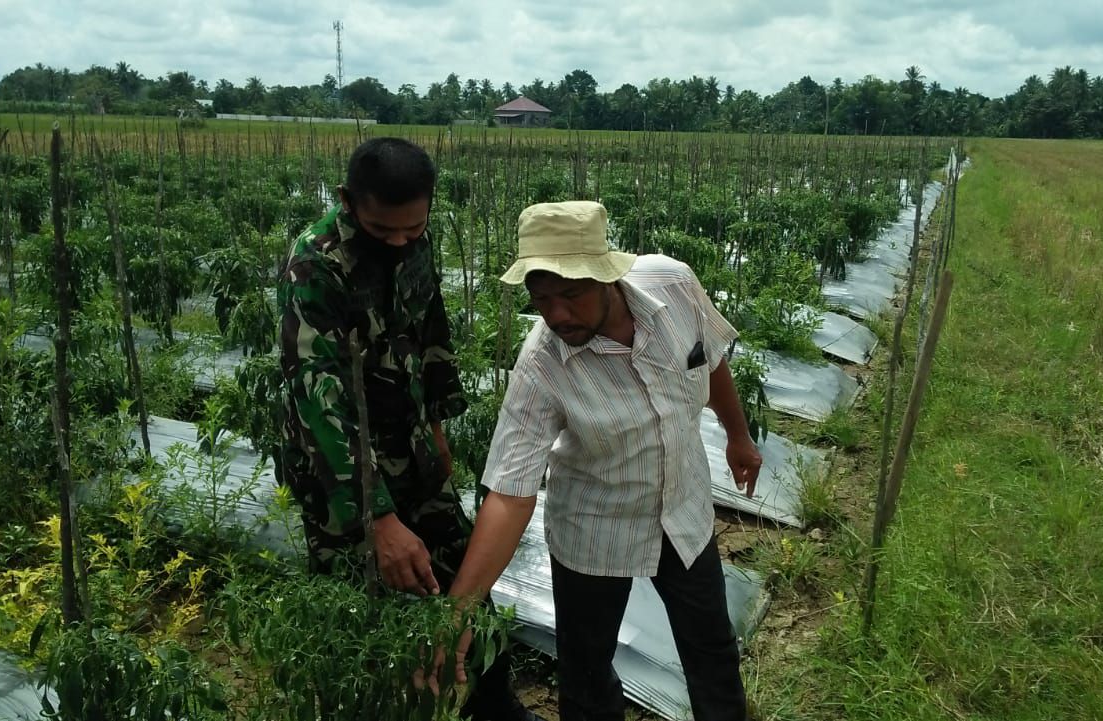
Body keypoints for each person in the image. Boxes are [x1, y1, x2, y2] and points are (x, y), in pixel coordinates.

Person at [445, 200, 761, 721]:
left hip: (683, 511)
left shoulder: (675, 287)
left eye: (571, 294)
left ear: (607, 277)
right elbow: (509, 491)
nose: (558, 314)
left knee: (712, 649)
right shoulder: (541, 366)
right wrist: (459, 612)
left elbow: (711, 358)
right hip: (594, 531)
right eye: (542, 298)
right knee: (587, 672)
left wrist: (739, 437)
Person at [277, 136, 540, 721]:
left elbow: (430, 330)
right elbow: (315, 400)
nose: (399, 242)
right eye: (382, 230)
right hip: (344, 474)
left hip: (414, 449)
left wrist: (439, 424)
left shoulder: (417, 242)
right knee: (359, 600)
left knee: (463, 575)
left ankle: (493, 704)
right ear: (347, 201)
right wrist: (378, 516)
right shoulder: (314, 264)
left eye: (412, 229)